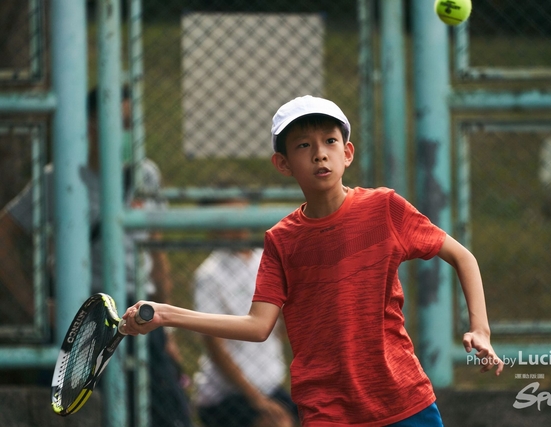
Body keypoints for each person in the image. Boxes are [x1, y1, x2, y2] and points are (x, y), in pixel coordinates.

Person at [122, 95, 504, 427]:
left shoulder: (384, 208)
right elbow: (258, 325)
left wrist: (480, 330)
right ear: (283, 163)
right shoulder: (281, 241)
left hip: (404, 400)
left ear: (347, 153)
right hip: (328, 412)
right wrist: (166, 314)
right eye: (303, 145)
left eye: (330, 141)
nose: (320, 153)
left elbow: (462, 256)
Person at [0, 87, 193, 427]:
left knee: (165, 413)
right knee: (79, 412)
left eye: (131, 124)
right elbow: (6, 233)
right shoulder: (60, 179)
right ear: (91, 125)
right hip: (85, 311)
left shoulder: (145, 175)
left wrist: (169, 330)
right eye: (119, 123)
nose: (126, 133)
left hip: (141, 309)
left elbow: (156, 251)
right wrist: (35, 307)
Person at [192, 216, 297, 427]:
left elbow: (282, 330)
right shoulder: (210, 274)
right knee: (277, 423)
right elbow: (215, 347)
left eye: (241, 213)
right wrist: (257, 401)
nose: (237, 225)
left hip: (270, 386)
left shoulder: (266, 260)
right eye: (229, 217)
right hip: (227, 394)